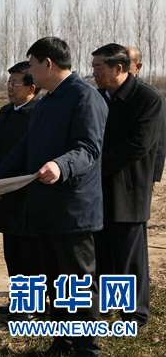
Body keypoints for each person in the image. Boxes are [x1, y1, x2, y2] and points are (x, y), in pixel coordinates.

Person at [0, 37, 108, 356]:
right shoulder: (45, 103)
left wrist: (60, 165)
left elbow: (88, 149)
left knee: (78, 283)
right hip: (44, 209)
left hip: (73, 211)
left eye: (32, 66)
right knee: (55, 281)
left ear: (48, 64)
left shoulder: (85, 98)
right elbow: (24, 149)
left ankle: (87, 348)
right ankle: (62, 341)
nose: (30, 73)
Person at [92, 43, 163, 327]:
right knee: (105, 251)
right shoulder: (99, 97)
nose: (94, 73)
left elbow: (139, 145)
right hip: (100, 187)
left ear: (118, 68)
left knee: (130, 255)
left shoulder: (147, 98)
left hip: (129, 187)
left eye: (98, 67)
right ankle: (111, 306)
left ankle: (135, 315)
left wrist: (96, 165)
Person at [0, 61, 40, 302]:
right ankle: (18, 300)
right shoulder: (5, 112)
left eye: (15, 83)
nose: (9, 87)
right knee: (12, 251)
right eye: (9, 82)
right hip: (5, 193)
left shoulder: (39, 114)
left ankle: (33, 303)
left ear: (31, 88)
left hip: (29, 195)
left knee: (31, 253)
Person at [127, 46, 166, 183]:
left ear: (138, 67)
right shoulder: (109, 93)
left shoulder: (150, 97)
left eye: (126, 62)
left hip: (142, 174)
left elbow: (160, 139)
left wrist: (153, 175)